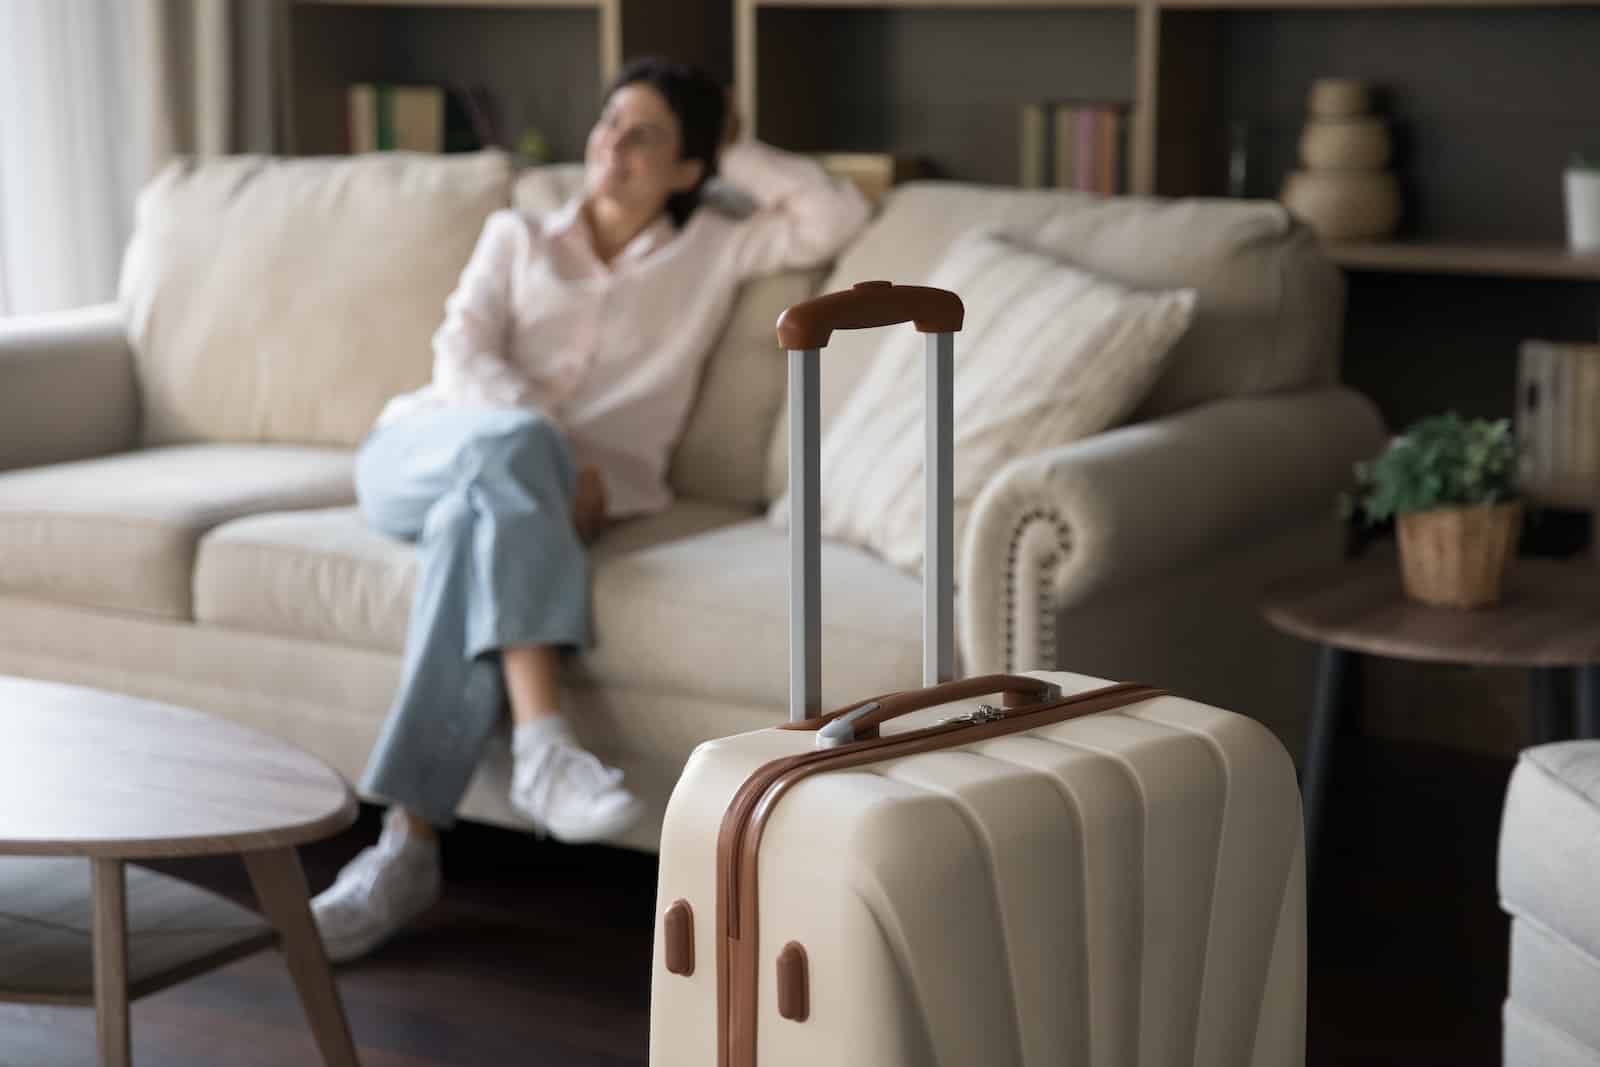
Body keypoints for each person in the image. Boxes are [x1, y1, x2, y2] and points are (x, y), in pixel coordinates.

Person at [311, 58, 871, 963]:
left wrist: (735, 142)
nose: (615, 143)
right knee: (512, 461)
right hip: (423, 453)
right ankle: (542, 743)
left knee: (474, 529)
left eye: (646, 133)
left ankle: (407, 845)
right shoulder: (517, 233)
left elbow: (834, 216)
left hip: (517, 503)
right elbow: (460, 353)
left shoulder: (716, 247)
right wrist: (547, 446)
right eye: (610, 122)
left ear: (691, 169)